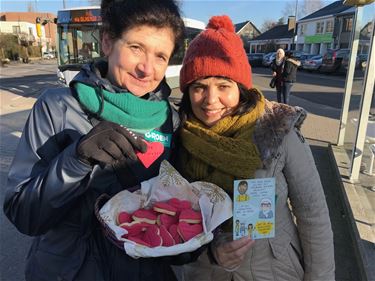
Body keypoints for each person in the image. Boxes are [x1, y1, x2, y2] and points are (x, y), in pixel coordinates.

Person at [3, 1, 190, 280]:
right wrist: (76, 160)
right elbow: (23, 214)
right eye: (136, 48)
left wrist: (193, 245)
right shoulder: (57, 108)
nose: (146, 68)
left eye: (161, 56)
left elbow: (172, 213)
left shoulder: (169, 120)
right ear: (107, 42)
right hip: (69, 272)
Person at [174, 15, 335, 281]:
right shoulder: (180, 136)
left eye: (223, 86)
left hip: (274, 272)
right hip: (205, 273)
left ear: (241, 88)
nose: (211, 100)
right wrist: (210, 254)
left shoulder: (277, 129)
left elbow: (313, 214)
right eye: (199, 87)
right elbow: (174, 222)